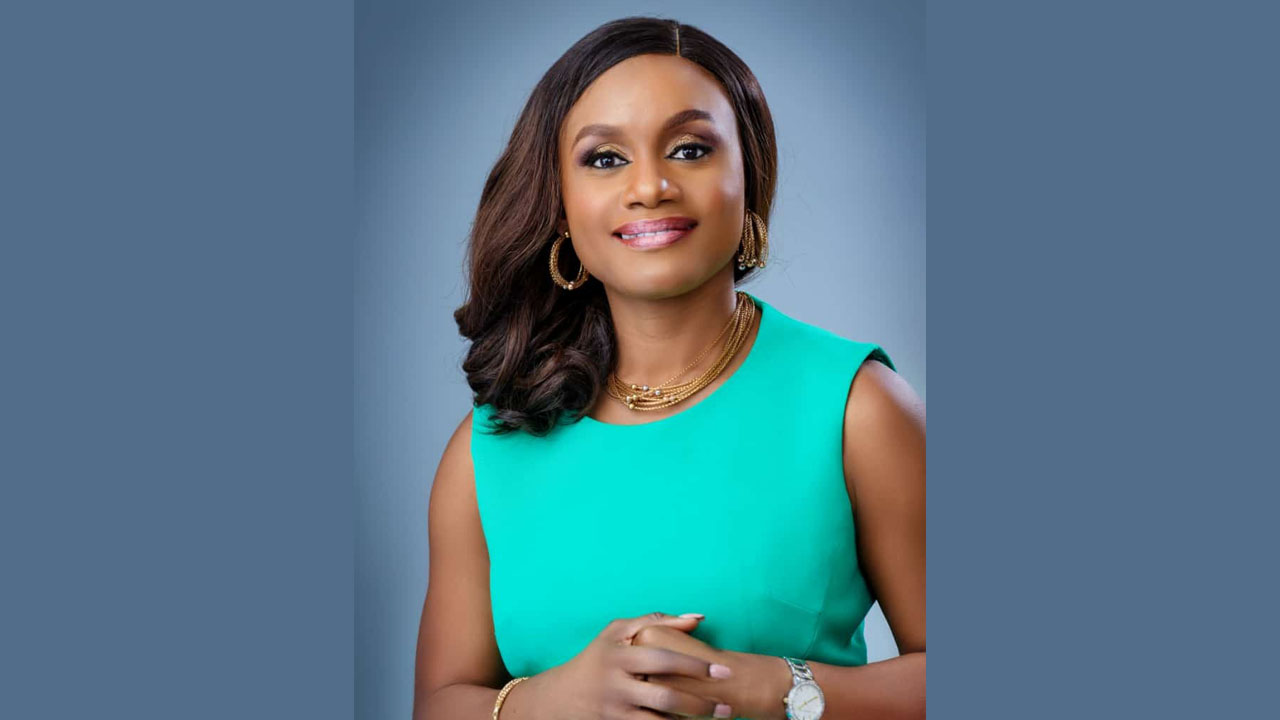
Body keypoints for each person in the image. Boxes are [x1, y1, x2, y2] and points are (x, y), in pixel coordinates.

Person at [414, 16, 925, 720]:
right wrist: (551, 701)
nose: (650, 186)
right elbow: (438, 704)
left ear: (748, 176)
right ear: (559, 206)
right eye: (604, 159)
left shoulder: (855, 408)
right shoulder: (489, 450)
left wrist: (777, 687)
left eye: (689, 150)